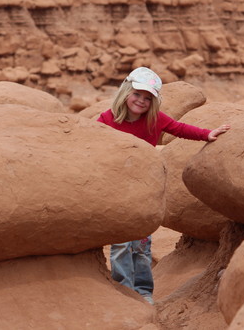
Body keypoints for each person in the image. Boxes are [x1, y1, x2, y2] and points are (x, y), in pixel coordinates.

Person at [97, 67, 230, 305]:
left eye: (148, 98)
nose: (141, 101)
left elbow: (180, 129)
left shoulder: (155, 120)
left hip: (145, 190)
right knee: (120, 246)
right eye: (137, 94)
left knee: (141, 245)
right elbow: (91, 142)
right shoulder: (107, 119)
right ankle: (124, 291)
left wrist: (208, 134)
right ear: (126, 92)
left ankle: (144, 291)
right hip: (117, 191)